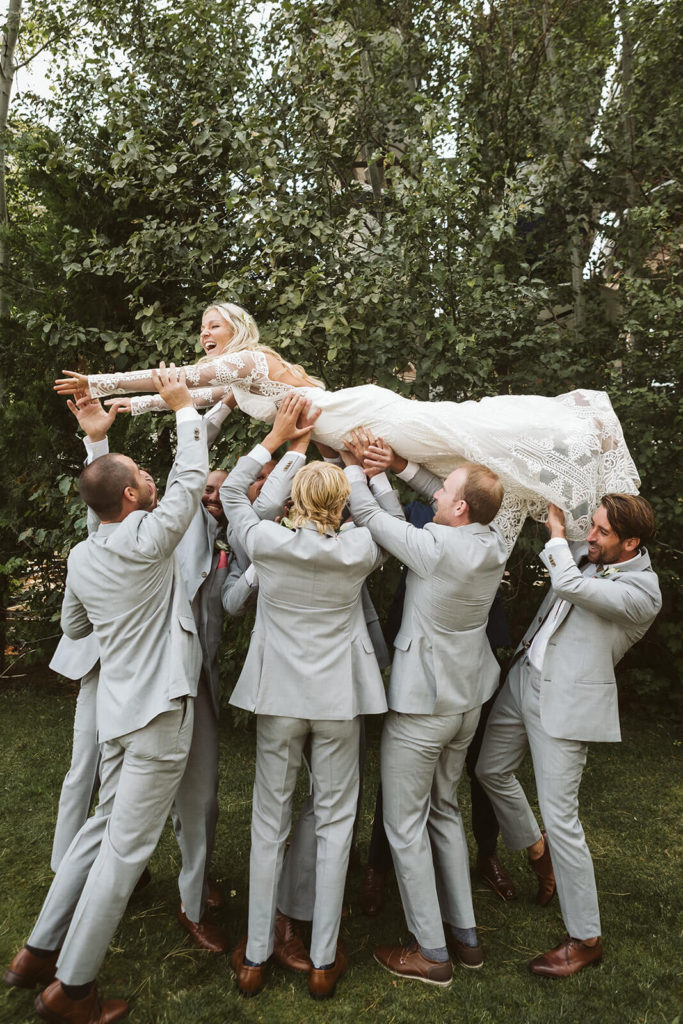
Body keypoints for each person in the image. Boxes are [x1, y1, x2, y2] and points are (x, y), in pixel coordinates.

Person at [54, 302, 641, 551]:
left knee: (459, 432)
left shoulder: (253, 362)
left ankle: (584, 433)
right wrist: (115, 413)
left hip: (357, 416)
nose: (206, 334)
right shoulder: (235, 379)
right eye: (202, 328)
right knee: (454, 464)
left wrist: (97, 381)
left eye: (215, 326)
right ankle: (550, 488)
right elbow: (180, 397)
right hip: (341, 427)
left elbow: (178, 378)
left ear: (237, 331)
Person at [4, 365, 208, 1024]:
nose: (151, 479)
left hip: (119, 710)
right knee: (123, 854)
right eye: (139, 479)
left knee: (98, 832)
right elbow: (187, 483)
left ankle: (36, 952)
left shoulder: (85, 554)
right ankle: (73, 988)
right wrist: (183, 411)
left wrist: (96, 442)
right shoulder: (150, 538)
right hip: (156, 718)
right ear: (129, 499)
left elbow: (73, 626)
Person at [222, 393, 390, 1000]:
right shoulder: (360, 550)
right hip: (339, 700)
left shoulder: (265, 541)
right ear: (342, 505)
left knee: (269, 821)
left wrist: (282, 446)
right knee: (335, 821)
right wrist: (350, 466)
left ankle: (256, 957)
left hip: (279, 698)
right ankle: (322, 961)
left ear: (293, 501)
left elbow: (237, 494)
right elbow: (374, 516)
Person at [341, 440, 508, 987]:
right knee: (445, 810)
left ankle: (431, 951)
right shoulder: (493, 541)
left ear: (459, 508)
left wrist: (349, 467)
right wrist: (391, 469)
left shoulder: (435, 547)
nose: (436, 492)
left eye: (447, 490)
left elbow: (367, 515)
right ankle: (466, 935)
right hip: (467, 701)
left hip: (424, 706)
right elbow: (408, 520)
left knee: (404, 823)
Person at [476, 495, 662, 977]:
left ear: (631, 543)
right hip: (523, 681)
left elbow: (571, 585)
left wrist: (559, 539)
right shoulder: (593, 550)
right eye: (592, 527)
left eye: (600, 532)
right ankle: (539, 855)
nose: (590, 536)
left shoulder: (643, 591)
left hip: (565, 705)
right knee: (489, 771)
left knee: (563, 820)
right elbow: (506, 499)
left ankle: (586, 938)